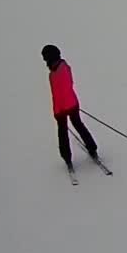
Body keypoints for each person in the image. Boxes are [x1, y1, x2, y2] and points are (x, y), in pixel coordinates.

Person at [42, 45, 100, 173]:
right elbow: (56, 95)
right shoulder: (55, 72)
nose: (46, 63)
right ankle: (68, 157)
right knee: (66, 131)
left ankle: (91, 149)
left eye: (46, 60)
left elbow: (64, 89)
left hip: (68, 106)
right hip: (64, 107)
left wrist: (59, 109)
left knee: (73, 127)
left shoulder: (61, 70)